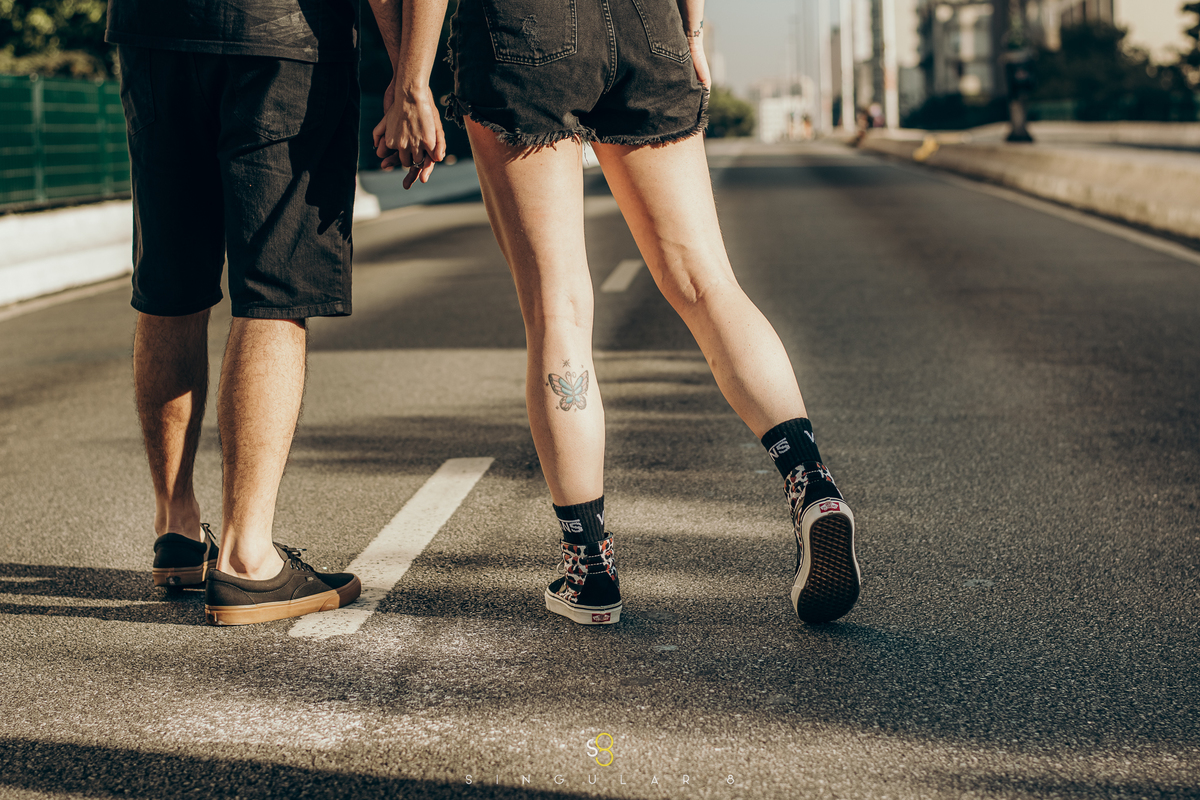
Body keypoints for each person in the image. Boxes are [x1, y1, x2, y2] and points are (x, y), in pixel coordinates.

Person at [373, 0, 861, 625]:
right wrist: (691, 33)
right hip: (647, 22)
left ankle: (591, 571)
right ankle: (812, 485)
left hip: (522, 29)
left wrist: (410, 80)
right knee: (708, 284)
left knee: (558, 307)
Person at [105, 0, 362, 624]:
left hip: (155, 31)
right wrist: (412, 79)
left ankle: (176, 528)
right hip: (286, 39)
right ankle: (248, 558)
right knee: (275, 290)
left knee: (169, 284)